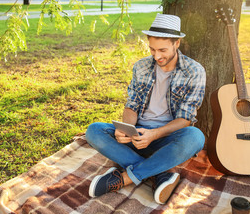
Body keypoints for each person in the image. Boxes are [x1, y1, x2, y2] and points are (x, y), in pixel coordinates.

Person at [85, 13, 206, 205]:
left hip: (166, 139)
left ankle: (124, 178)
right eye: (152, 49)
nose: (157, 56)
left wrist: (155, 134)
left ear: (177, 43)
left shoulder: (194, 71)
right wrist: (124, 129)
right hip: (137, 135)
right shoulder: (141, 66)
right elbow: (132, 105)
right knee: (94, 130)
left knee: (196, 137)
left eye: (163, 50)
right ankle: (158, 174)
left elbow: (186, 118)